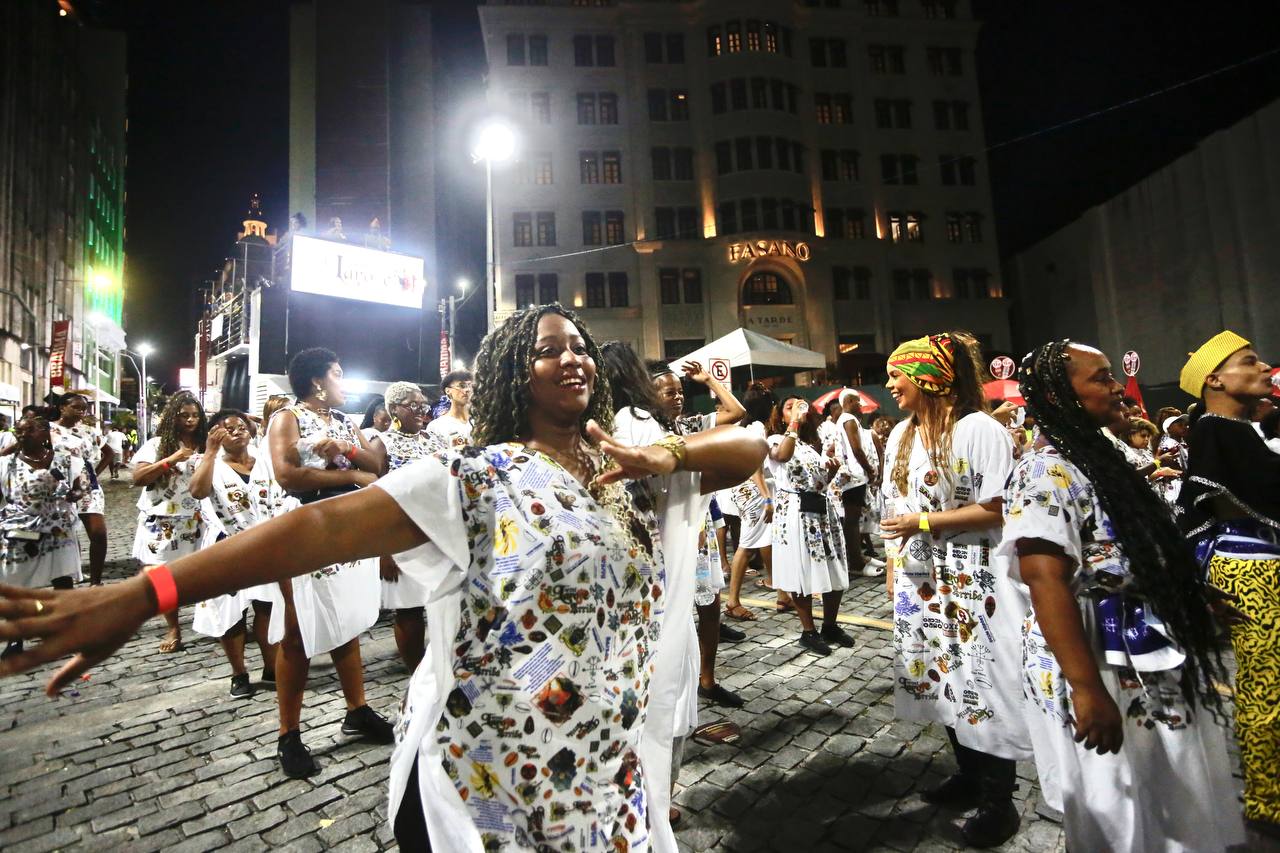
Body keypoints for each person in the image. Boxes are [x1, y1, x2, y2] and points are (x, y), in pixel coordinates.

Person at [0, 304, 767, 852]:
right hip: (495, 780)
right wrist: (145, 592)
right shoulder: (473, 475)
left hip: (605, 774)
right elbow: (319, 527)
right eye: (547, 350)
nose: (572, 359)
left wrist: (669, 453)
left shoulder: (625, 466)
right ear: (512, 372)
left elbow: (752, 447)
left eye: (580, 347)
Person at [1005, 339, 1244, 852]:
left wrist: (1191, 594)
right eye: (1101, 377)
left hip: (1145, 640)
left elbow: (1134, 542)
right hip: (1096, 649)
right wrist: (1086, 688)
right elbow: (1045, 579)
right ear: (1059, 394)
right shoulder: (1044, 470)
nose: (1117, 387)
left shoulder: (1106, 451)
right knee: (1118, 799)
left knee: (1170, 779)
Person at [879, 332, 1030, 847]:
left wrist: (923, 523)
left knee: (985, 679)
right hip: (922, 581)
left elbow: (997, 506)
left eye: (897, 374)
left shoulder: (979, 429)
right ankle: (967, 774)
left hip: (973, 576)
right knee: (943, 676)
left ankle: (999, 801)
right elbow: (892, 510)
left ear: (928, 378)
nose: (889, 384)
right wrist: (894, 572)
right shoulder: (902, 435)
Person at [256, 348, 392, 778]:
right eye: (337, 373)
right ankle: (289, 734)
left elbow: (377, 465)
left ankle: (357, 710)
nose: (343, 381)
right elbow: (287, 475)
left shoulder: (345, 421)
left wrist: (348, 449)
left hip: (345, 524)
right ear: (316, 381)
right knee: (298, 630)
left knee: (345, 620)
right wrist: (350, 475)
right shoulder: (288, 418)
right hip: (306, 524)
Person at [1176, 331, 1280, 843]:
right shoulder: (1218, 429)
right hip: (1251, 568)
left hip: (1258, 561)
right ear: (1215, 379)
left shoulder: (1236, 431)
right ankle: (1267, 802)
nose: (1263, 368)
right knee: (1267, 687)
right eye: (1250, 361)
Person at [188, 409, 278, 698]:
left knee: (267, 608)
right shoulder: (208, 463)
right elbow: (197, 492)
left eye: (241, 426)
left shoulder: (264, 460)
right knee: (231, 614)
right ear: (215, 434)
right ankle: (239, 674)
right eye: (229, 428)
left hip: (265, 545)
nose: (238, 431)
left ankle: (272, 668)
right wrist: (210, 452)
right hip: (227, 547)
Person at [767, 396, 853, 656]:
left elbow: (818, 483)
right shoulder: (775, 440)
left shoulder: (809, 447)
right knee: (800, 570)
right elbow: (782, 455)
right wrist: (793, 422)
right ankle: (808, 631)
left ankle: (830, 626)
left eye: (800, 406)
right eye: (789, 406)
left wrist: (831, 473)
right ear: (781, 415)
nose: (796, 409)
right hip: (795, 514)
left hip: (821, 512)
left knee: (833, 566)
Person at [0, 410, 89, 658]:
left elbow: (83, 482)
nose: (23, 434)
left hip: (57, 528)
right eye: (19, 430)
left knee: (62, 580)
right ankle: (16, 637)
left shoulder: (63, 458)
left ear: (44, 432)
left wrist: (75, 493)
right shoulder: (7, 463)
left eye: (29, 429)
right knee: (15, 582)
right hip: (18, 529)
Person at [371, 381, 443, 671]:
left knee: (441, 602)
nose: (421, 410)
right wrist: (383, 551)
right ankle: (416, 671)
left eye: (423, 405)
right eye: (413, 405)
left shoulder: (436, 440)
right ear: (394, 408)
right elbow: (374, 499)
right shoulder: (381, 444)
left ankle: (441, 664)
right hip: (401, 537)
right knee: (409, 607)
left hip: (438, 534)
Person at [131, 392, 208, 652]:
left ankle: (217, 623)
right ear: (173, 417)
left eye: (195, 415)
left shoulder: (206, 445)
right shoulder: (157, 444)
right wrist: (171, 460)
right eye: (184, 415)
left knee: (203, 574)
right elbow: (138, 477)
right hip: (161, 521)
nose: (190, 420)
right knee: (161, 576)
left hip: (198, 520)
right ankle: (173, 627)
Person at [725, 384, 781, 616]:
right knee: (747, 546)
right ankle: (732, 602)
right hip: (755, 491)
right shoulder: (757, 428)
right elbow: (755, 465)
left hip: (745, 489)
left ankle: (783, 594)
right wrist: (767, 498)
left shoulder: (744, 426)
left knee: (766, 539)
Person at [49, 394, 112, 586]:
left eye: (84, 409)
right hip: (58, 487)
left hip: (87, 487)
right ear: (62, 407)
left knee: (98, 533)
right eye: (76, 407)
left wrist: (94, 473)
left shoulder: (88, 431)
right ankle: (67, 579)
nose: (81, 412)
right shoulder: (48, 429)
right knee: (64, 535)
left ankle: (96, 582)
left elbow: (109, 453)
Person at [835, 390, 879, 579]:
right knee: (852, 521)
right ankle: (855, 562)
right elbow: (857, 449)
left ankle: (857, 557)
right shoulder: (849, 419)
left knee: (852, 520)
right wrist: (869, 469)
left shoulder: (843, 420)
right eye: (858, 402)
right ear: (850, 401)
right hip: (854, 476)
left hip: (851, 476)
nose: (860, 405)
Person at [427, 369, 473, 448]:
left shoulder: (481, 423)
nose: (467, 390)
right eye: (462, 386)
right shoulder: (436, 426)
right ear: (448, 391)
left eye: (470, 386)